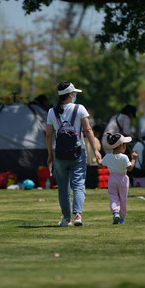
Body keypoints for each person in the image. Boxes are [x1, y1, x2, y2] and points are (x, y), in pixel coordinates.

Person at [46, 81, 102, 227]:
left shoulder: (52, 111)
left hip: (59, 154)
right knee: (78, 185)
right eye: (74, 93)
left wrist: (50, 154)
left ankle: (66, 219)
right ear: (71, 94)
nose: (75, 95)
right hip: (78, 152)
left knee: (63, 187)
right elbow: (88, 130)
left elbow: (48, 135)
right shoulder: (80, 108)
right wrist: (95, 150)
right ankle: (78, 215)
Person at [100, 133, 138, 224]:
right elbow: (130, 168)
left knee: (113, 196)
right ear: (121, 145)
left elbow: (101, 164)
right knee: (123, 198)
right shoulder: (124, 157)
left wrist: (98, 158)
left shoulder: (108, 156)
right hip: (123, 179)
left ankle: (115, 212)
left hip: (112, 178)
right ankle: (122, 217)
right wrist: (134, 159)